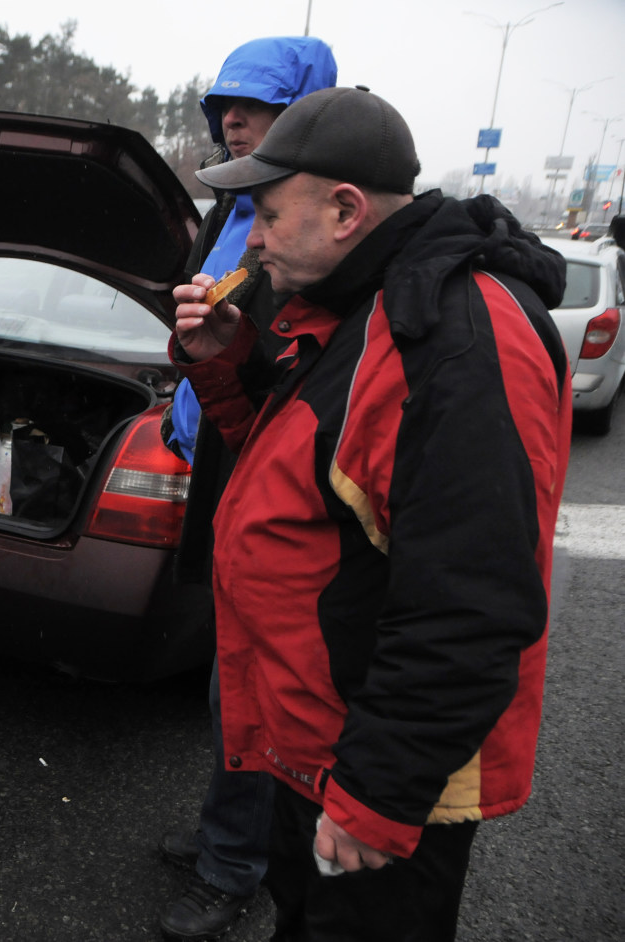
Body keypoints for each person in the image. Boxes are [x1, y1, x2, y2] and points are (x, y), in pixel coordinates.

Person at [170, 85, 571, 941]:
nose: (257, 239)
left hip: (374, 778)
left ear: (346, 209)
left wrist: (375, 800)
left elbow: (470, 604)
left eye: (270, 215)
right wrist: (229, 360)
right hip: (309, 744)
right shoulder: (351, 301)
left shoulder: (457, 340)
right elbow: (307, 478)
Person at [156, 36, 336, 942]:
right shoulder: (230, 205)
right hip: (219, 455)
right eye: (224, 101)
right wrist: (178, 410)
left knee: (260, 681)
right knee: (231, 669)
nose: (232, 115)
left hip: (270, 466)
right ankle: (228, 836)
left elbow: (292, 369)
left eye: (255, 103)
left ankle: (236, 869)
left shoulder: (313, 229)